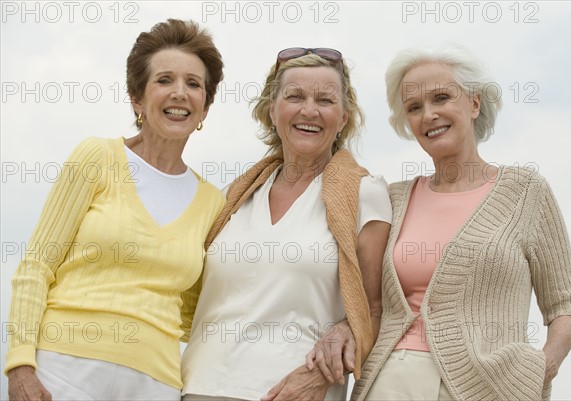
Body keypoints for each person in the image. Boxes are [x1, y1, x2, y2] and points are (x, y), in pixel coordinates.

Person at [5, 19, 225, 401]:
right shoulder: (96, 157)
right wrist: (20, 364)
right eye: (164, 80)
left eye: (194, 84)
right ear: (136, 98)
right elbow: (37, 265)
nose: (180, 93)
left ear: (205, 107)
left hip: (155, 384)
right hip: (63, 368)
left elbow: (193, 312)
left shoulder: (212, 203)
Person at [351, 45, 571, 401]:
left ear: (474, 104)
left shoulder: (525, 192)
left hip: (492, 387)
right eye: (414, 107)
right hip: (391, 379)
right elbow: (363, 299)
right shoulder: (392, 198)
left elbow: (564, 307)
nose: (428, 115)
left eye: (441, 98)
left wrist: (539, 369)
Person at [180, 47, 392, 401]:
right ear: (271, 111)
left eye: (326, 100)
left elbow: (375, 309)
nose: (309, 110)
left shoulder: (365, 195)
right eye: (295, 96)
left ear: (343, 118)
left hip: (295, 390)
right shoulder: (230, 198)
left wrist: (326, 365)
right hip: (199, 386)